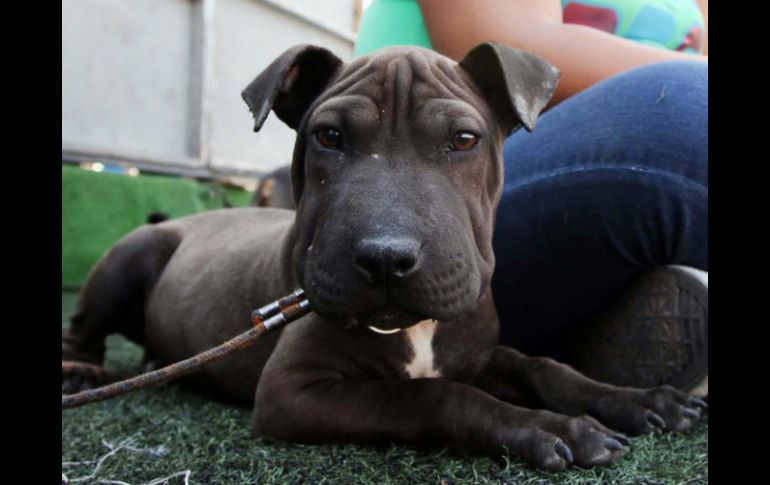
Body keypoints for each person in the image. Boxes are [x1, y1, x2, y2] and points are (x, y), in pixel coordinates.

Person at [354, 0, 708, 397]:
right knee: (689, 107)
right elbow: (512, 49)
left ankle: (608, 327)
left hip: (605, 225)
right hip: (436, 193)